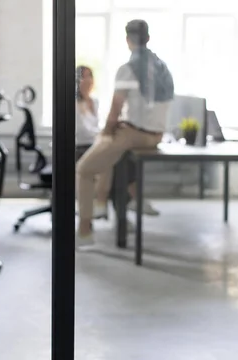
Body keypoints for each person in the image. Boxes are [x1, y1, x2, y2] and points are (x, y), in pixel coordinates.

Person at [76, 19, 174, 247]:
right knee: (111, 153)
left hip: (135, 134)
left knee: (83, 169)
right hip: (155, 136)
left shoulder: (127, 69)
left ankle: (85, 231)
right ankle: (111, 202)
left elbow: (115, 111)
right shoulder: (163, 68)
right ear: (148, 38)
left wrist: (108, 130)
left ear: (127, 40)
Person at [74, 65, 160, 219]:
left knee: (121, 155)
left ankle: (121, 208)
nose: (87, 80)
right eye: (83, 77)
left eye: (90, 76)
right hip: (81, 147)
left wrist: (112, 129)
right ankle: (127, 204)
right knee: (114, 158)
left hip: (96, 141)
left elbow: (97, 127)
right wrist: (105, 134)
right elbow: (82, 132)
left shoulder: (94, 101)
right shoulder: (73, 104)